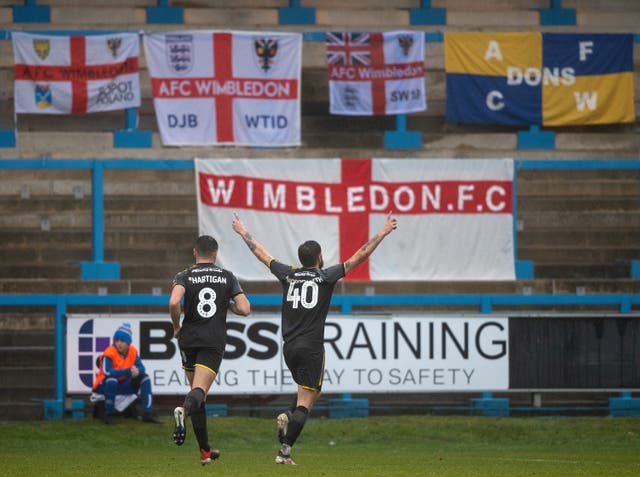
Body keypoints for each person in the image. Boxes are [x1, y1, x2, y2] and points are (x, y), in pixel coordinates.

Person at [232, 210, 397, 465]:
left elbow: (261, 253)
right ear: (319, 257)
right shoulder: (325, 277)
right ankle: (284, 451)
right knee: (307, 401)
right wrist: (383, 232)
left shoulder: (288, 274)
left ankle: (288, 416)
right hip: (311, 347)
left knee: (306, 394)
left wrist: (243, 231)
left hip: (288, 347)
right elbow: (360, 254)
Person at [169, 235, 251, 466]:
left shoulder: (183, 275)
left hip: (187, 339)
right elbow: (245, 309)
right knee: (199, 392)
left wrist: (177, 326)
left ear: (195, 252)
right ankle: (182, 412)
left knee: (197, 395)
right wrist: (229, 305)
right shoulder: (227, 277)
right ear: (215, 253)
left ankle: (205, 451)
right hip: (211, 341)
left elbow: (174, 303)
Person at [91, 322, 161, 424]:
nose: (119, 343)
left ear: (128, 343)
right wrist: (128, 371)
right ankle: (108, 414)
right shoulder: (109, 352)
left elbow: (142, 368)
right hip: (103, 387)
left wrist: (137, 372)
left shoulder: (132, 351)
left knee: (145, 378)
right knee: (111, 380)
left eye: (122, 341)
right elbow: (107, 372)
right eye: (117, 340)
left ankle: (147, 413)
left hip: (123, 384)